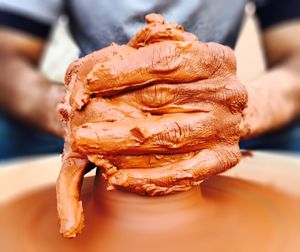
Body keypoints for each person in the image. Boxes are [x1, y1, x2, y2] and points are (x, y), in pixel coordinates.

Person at [0, 0, 299, 160]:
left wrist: (242, 111)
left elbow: (294, 57)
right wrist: (69, 114)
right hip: (98, 108)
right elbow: (7, 58)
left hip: (210, 107)